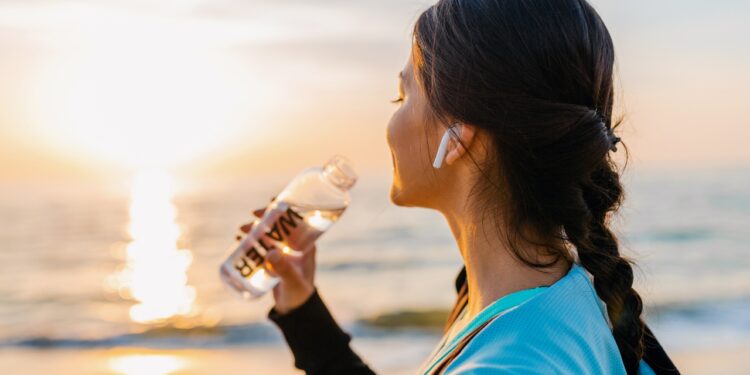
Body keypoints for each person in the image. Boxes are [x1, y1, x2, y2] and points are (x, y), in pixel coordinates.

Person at [240, 0, 680, 373]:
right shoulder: (561, 293)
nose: (391, 124)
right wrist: (301, 308)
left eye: (402, 96)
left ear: (458, 130)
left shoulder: (510, 358)